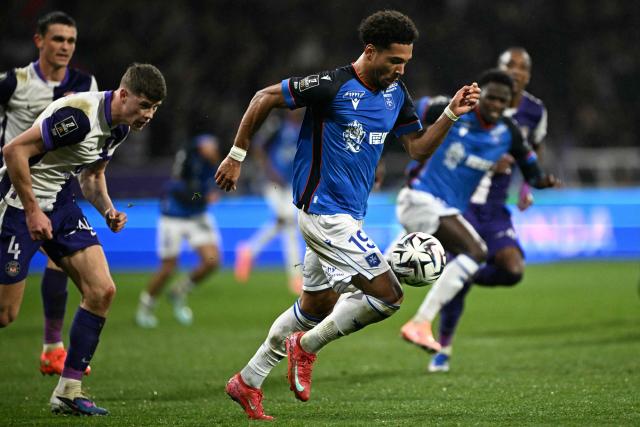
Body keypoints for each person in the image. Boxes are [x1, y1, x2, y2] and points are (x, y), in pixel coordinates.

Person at [215, 10, 481, 421]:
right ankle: (305, 348)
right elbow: (264, 97)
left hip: (350, 215)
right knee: (388, 295)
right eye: (394, 60)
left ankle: (247, 380)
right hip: (324, 213)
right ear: (370, 51)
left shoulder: (396, 95)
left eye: (406, 61)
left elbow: (417, 148)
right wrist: (237, 154)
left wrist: (449, 115)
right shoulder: (332, 84)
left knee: (315, 307)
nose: (400, 69)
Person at [0, 63, 166, 415]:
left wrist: (107, 209)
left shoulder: (119, 127)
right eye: (144, 105)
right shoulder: (78, 118)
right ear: (123, 95)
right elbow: (14, 151)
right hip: (17, 202)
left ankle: (68, 391)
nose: (148, 114)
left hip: (59, 203)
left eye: (154, 108)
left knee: (101, 290)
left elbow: (92, 175)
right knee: (5, 313)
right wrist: (32, 210)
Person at [398, 69, 559, 362]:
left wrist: (542, 181)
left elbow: (532, 169)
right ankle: (421, 322)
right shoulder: (453, 108)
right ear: (480, 94)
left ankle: (330, 302)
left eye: (503, 100)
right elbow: (406, 110)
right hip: (422, 197)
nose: (497, 105)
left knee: (388, 280)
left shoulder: (509, 132)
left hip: (444, 207)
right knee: (474, 251)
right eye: (492, 98)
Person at [428, 47, 549, 372]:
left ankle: (458, 271)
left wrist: (526, 187)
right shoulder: (478, 102)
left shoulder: (535, 112)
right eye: (511, 65)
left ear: (529, 74)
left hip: (495, 208)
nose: (517, 72)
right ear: (499, 69)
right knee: (466, 261)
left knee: (513, 271)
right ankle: (444, 347)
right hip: (464, 202)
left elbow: (531, 151)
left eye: (523, 67)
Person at [0, 11, 98, 376]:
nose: (65, 47)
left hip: (59, 190)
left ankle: (53, 348)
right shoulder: (14, 83)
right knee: (7, 313)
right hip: (14, 190)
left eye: (71, 41)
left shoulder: (86, 84)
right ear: (39, 41)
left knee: (63, 260)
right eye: (58, 39)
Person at [136, 133, 222, 328]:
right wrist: (204, 196)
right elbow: (188, 191)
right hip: (174, 216)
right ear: (200, 148)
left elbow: (205, 188)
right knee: (168, 267)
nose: (214, 151)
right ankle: (146, 306)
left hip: (196, 215)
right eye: (210, 147)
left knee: (212, 260)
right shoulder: (188, 161)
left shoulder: (211, 165)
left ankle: (178, 292)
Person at [234, 109, 304, 294]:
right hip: (271, 182)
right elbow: (258, 147)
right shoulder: (277, 124)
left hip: (290, 183)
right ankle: (296, 277)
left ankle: (249, 250)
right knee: (289, 222)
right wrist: (269, 171)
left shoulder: (305, 127)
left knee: (287, 225)